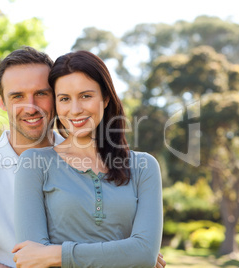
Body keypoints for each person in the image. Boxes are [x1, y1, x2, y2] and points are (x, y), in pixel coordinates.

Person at [0, 46, 166, 268]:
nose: (31, 107)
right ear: (2, 102)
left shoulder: (137, 164)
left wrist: (136, 255)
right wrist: (122, 258)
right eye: (17, 96)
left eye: (41, 94)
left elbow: (142, 252)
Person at [13, 50, 163, 268]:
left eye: (86, 96)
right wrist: (125, 254)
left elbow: (144, 254)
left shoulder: (143, 167)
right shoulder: (34, 164)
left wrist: (57, 255)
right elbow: (32, 260)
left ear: (105, 98)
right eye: (64, 99)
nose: (75, 110)